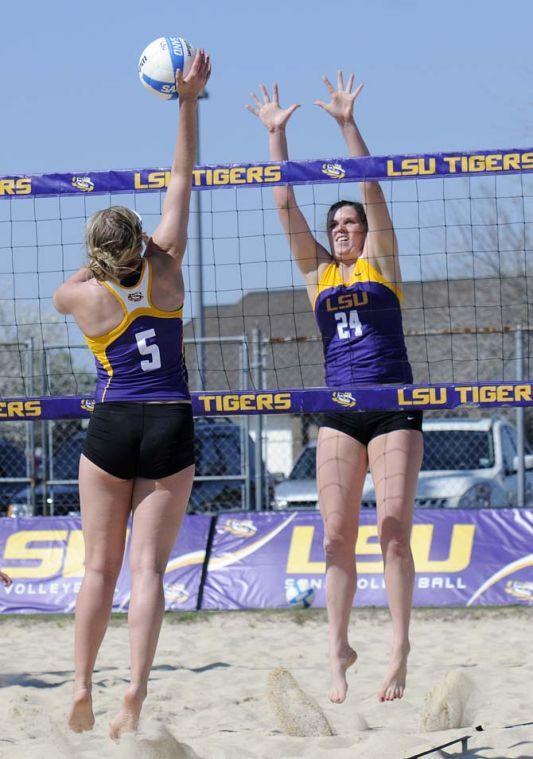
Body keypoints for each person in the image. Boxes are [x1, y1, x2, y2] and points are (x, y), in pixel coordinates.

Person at [247, 73, 423, 704]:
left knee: (394, 531)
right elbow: (284, 206)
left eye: (353, 222)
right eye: (339, 223)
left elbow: (373, 186)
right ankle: (338, 648)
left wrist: (347, 123)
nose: (347, 228)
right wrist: (277, 135)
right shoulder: (317, 272)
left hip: (393, 406)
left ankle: (400, 647)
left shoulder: (383, 263)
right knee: (335, 534)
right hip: (339, 411)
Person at [53, 50, 211, 739]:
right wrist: (187, 100)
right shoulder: (168, 265)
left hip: (112, 421)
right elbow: (182, 177)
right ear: (141, 241)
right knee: (147, 570)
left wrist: (101, 264)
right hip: (170, 420)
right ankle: (136, 690)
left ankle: (83, 683)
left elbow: (80, 282)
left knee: (98, 568)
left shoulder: (77, 296)